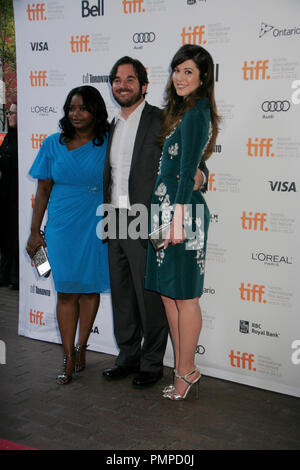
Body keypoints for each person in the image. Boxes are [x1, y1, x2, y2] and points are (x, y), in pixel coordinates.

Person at [102, 56, 209, 388]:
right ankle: (128, 356)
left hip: (146, 217)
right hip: (114, 217)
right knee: (122, 294)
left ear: (144, 85)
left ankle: (151, 363)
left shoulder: (162, 119)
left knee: (149, 296)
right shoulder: (111, 125)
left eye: (130, 79)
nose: (123, 85)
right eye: (117, 80)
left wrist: (201, 177)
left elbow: (192, 159)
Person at [145, 44, 220, 400]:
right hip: (165, 212)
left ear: (203, 78)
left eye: (189, 71)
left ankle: (186, 371)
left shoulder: (195, 114)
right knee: (167, 295)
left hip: (181, 214)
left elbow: (189, 169)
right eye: (177, 70)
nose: (180, 77)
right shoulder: (182, 112)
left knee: (185, 297)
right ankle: (183, 368)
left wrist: (176, 219)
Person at [26, 86, 110, 385]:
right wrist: (35, 232)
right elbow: (43, 189)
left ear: (95, 112)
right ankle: (68, 355)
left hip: (98, 223)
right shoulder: (52, 144)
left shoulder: (108, 143)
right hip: (62, 226)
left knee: (89, 290)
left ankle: (82, 345)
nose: (75, 114)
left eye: (83, 108)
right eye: (71, 108)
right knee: (66, 291)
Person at [0, 102, 19, 290]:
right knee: (6, 235)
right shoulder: (8, 138)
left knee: (16, 235)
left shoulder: (22, 140)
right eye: (8, 113)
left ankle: (15, 275)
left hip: (18, 196)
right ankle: (5, 274)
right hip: (5, 194)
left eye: (12, 113)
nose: (8, 116)